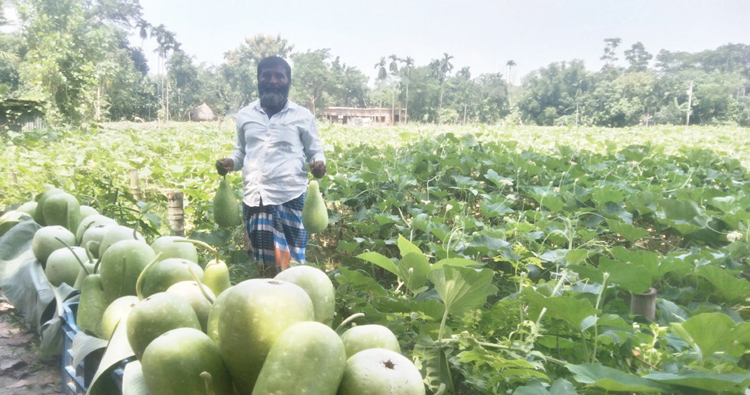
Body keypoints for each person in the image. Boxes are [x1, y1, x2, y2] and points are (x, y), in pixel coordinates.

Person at [215, 56, 326, 276]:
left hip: (290, 198)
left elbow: (315, 151)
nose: (272, 80)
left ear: (288, 81)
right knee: (262, 266)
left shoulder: (302, 116)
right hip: (255, 199)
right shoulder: (245, 115)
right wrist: (229, 163)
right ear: (258, 79)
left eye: (279, 76)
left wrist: (319, 164)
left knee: (293, 268)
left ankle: (295, 303)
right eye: (266, 75)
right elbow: (241, 152)